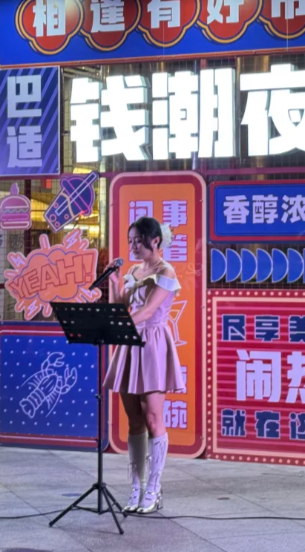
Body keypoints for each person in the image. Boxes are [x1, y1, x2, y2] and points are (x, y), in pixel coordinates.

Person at [104, 217, 185, 515]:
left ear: (155, 241)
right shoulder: (132, 271)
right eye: (131, 240)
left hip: (152, 344)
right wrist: (114, 283)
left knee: (152, 416)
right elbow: (120, 306)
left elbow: (149, 311)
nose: (133, 245)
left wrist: (117, 326)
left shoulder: (166, 272)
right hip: (129, 344)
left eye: (138, 240)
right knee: (134, 420)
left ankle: (154, 486)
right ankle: (136, 486)